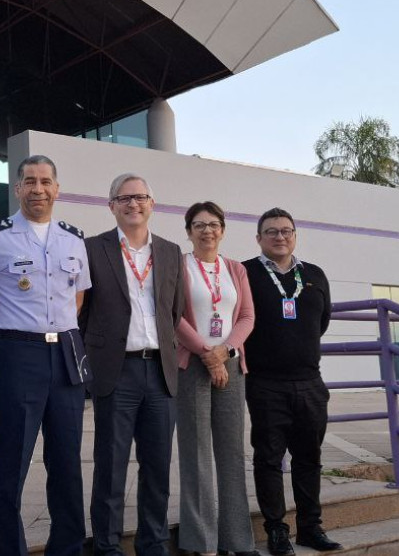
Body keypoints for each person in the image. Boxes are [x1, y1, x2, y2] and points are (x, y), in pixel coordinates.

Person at [0, 155, 92, 556]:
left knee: (67, 462)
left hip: (66, 354)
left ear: (57, 189)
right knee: (10, 462)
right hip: (18, 353)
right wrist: (7, 343)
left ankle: (67, 548)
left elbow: (78, 298)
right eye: (30, 181)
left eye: (46, 181)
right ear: (17, 188)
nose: (39, 189)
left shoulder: (73, 239)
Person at [79, 173, 186, 556]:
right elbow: (82, 311)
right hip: (116, 372)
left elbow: (175, 310)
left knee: (157, 468)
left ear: (151, 204)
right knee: (111, 466)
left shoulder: (171, 251)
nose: (133, 204)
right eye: (124, 198)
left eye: (140, 197)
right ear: (111, 206)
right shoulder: (92, 248)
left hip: (159, 372)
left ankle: (153, 544)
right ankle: (107, 547)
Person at [242, 208, 341, 555]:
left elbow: (321, 322)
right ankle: (276, 530)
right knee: (269, 459)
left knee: (309, 458)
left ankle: (310, 528)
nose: (279, 236)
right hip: (265, 383)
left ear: (295, 235)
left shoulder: (315, 275)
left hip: (310, 382)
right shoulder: (245, 273)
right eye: (271, 231)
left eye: (286, 230)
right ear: (259, 238)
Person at [174, 202, 258, 556]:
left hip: (231, 365)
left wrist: (224, 352)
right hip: (191, 365)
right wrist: (207, 354)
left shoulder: (236, 269)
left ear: (222, 230)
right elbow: (172, 314)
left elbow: (247, 316)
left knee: (232, 453)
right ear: (188, 231)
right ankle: (202, 542)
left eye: (213, 224)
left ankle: (237, 540)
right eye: (199, 224)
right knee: (196, 455)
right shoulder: (178, 265)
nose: (207, 230)